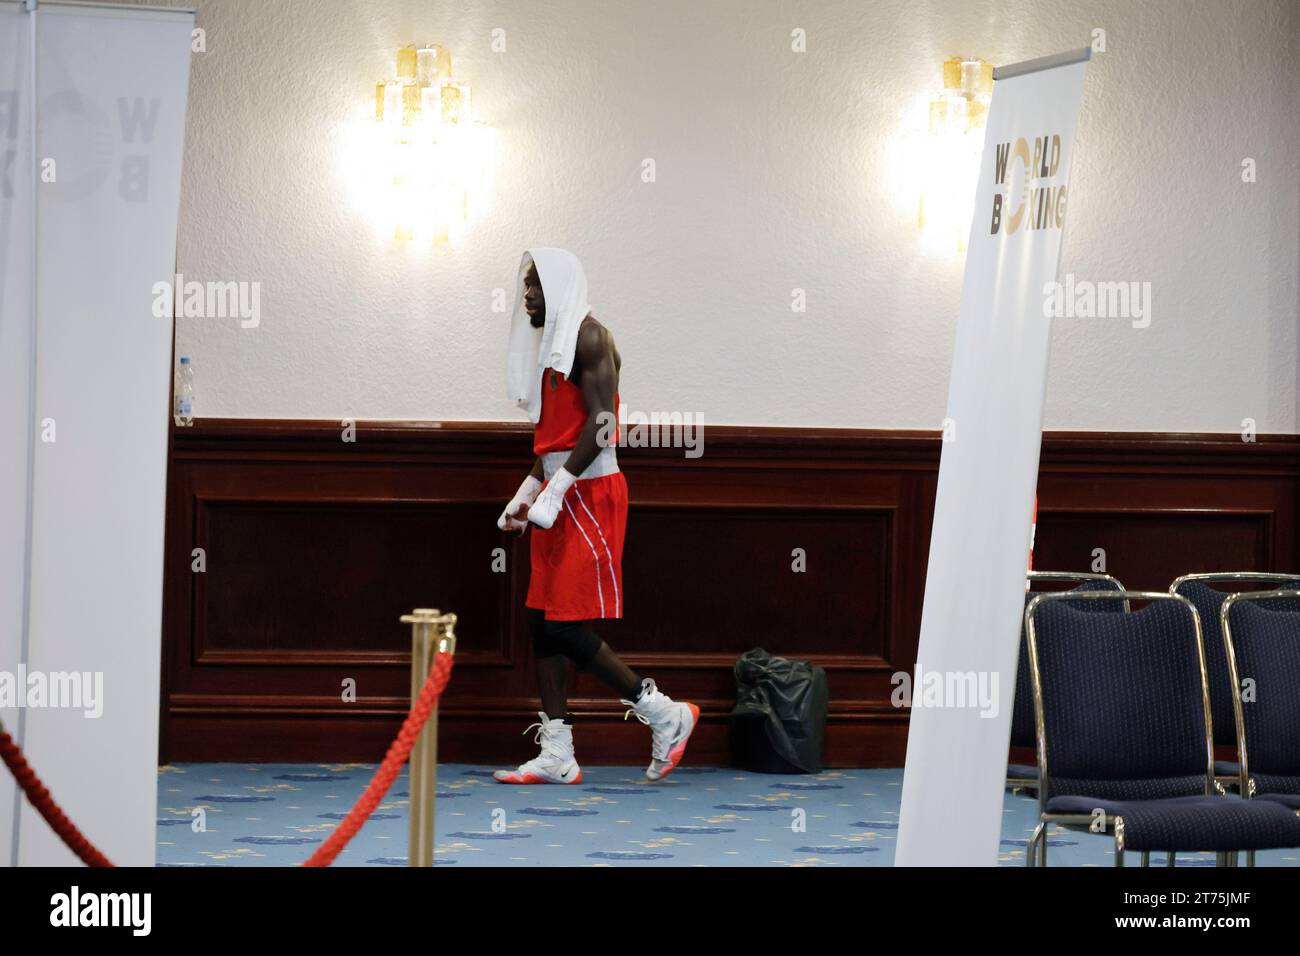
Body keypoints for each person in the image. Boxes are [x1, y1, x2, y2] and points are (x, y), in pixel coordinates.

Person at [493, 248, 697, 784]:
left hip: (592, 493)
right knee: (542, 618)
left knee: (564, 623)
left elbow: (603, 422)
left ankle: (664, 712)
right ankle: (558, 749)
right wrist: (529, 490)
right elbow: (555, 436)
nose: (528, 296)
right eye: (526, 287)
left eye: (537, 286)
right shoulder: (550, 344)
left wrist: (558, 488)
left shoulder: (589, 336)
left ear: (560, 287)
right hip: (561, 492)